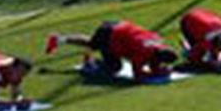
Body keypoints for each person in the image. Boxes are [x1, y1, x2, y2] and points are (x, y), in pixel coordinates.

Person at [46, 21, 180, 81]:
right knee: (115, 67)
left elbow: (152, 63)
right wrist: (157, 74)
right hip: (110, 34)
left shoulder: (157, 41)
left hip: (117, 27)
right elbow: (137, 74)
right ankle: (91, 63)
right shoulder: (144, 52)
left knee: (92, 43)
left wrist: (158, 70)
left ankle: (59, 40)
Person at [179, 9, 221, 73]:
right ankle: (186, 48)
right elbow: (195, 56)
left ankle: (189, 49)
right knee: (196, 59)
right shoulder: (206, 40)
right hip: (188, 21)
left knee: (210, 54)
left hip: (202, 16)